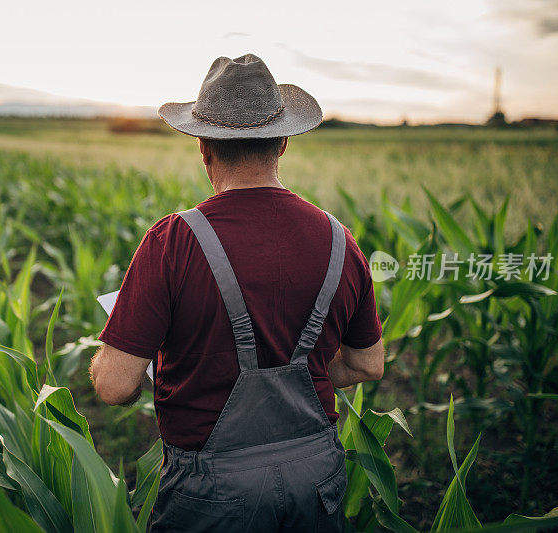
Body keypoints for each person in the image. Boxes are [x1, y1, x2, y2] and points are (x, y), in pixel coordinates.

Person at [89, 53, 384, 532]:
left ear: (203, 145)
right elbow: (367, 364)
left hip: (211, 490)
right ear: (284, 142)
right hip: (318, 477)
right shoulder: (339, 240)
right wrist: (293, 373)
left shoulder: (172, 242)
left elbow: (114, 385)